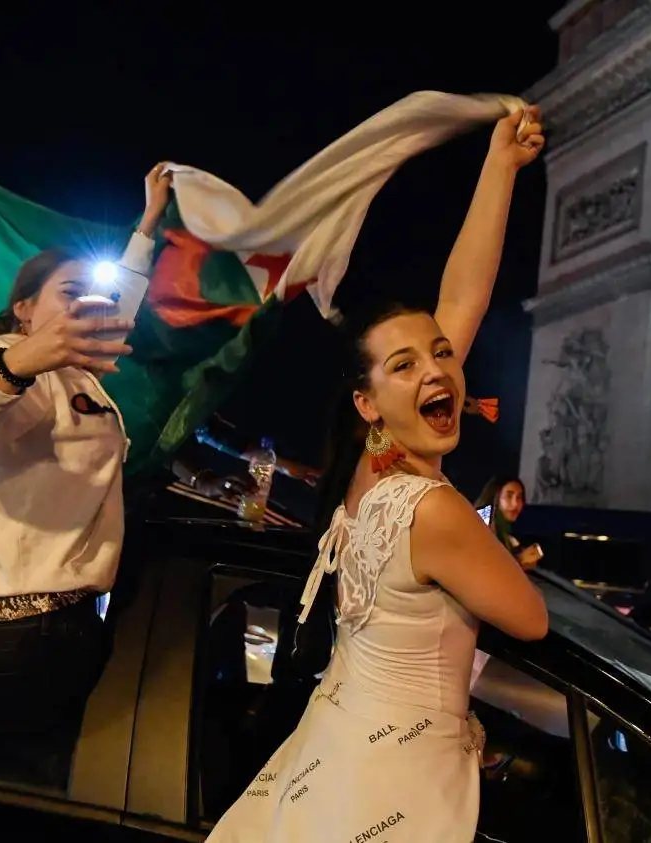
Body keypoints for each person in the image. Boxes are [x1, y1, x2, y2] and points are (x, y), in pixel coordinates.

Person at [206, 105, 546, 842]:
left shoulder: (367, 468)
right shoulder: (430, 508)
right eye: (406, 364)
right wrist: (504, 561)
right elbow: (531, 619)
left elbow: (461, 299)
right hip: (399, 784)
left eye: (442, 354)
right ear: (369, 402)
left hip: (335, 751)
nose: (438, 368)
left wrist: (498, 168)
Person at [0, 162, 173, 734]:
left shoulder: (78, 370)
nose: (88, 306)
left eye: (94, 298)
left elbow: (117, 301)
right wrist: (18, 363)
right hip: (18, 642)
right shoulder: (6, 365)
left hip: (23, 633)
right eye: (69, 294)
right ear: (24, 308)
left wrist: (149, 220)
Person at [473, 475, 541, 569]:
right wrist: (519, 561)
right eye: (509, 496)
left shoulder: (507, 535)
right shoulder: (481, 524)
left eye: (519, 497)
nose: (516, 503)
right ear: (495, 497)